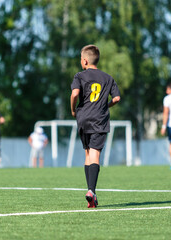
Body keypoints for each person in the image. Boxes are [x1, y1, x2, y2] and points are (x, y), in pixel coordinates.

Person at [70, 44, 120, 208]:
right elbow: (117, 98)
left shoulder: (80, 76)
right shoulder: (108, 78)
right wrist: (106, 105)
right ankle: (91, 191)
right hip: (99, 119)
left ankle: (91, 193)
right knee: (95, 156)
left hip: (83, 118)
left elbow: (75, 94)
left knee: (87, 155)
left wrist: (72, 109)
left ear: (84, 61)